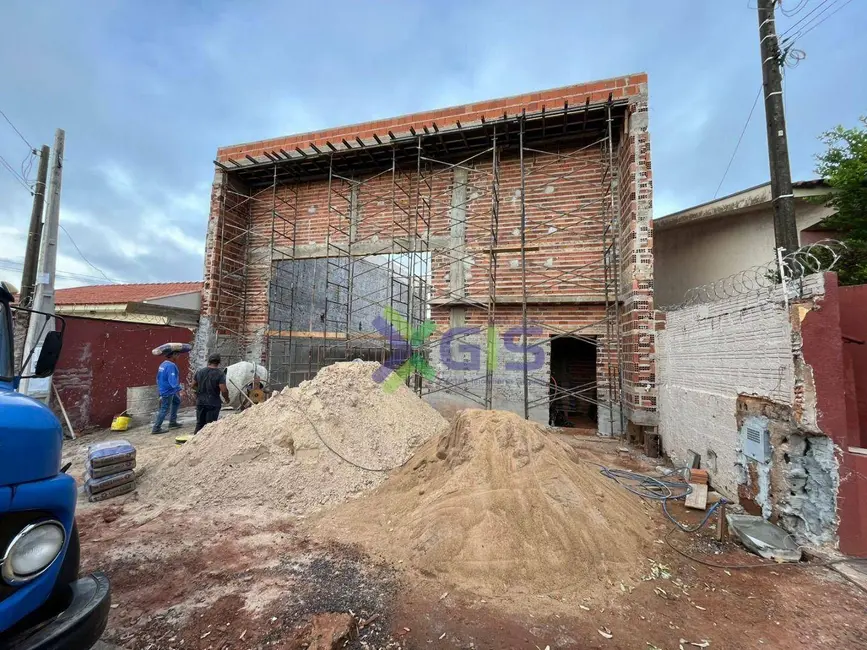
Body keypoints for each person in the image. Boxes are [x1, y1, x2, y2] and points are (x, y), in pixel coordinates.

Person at [192, 353, 229, 433]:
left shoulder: (200, 372)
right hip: (213, 403)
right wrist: (227, 398)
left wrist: (197, 392)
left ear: (209, 361)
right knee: (210, 427)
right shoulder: (220, 374)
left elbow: (193, 385)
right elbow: (223, 390)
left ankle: (195, 443)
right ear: (219, 362)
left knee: (199, 424)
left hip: (200, 402)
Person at [152, 350, 182, 434]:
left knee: (177, 401)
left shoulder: (163, 364)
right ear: (173, 355)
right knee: (164, 409)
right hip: (168, 391)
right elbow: (172, 381)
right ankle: (156, 428)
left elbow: (157, 378)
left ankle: (172, 422)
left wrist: (160, 388)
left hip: (164, 389)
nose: (178, 356)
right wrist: (179, 388)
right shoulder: (171, 366)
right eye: (177, 355)